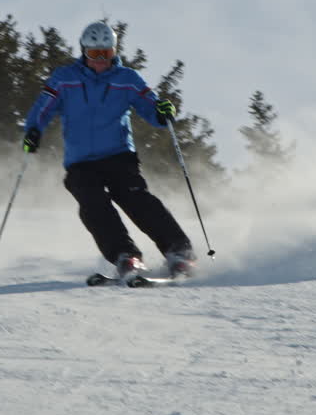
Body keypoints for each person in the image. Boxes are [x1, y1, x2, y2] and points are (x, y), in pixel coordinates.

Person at [22, 20, 197, 280]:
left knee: (135, 197)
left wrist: (162, 113)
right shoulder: (65, 78)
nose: (101, 60)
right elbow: (43, 107)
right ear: (84, 52)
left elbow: (150, 105)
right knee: (92, 204)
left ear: (115, 51)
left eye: (107, 53)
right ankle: (126, 256)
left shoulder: (126, 79)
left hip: (118, 155)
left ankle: (179, 252)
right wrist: (33, 130)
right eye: (95, 54)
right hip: (80, 161)